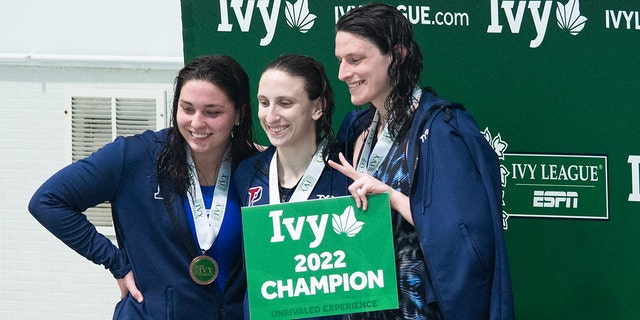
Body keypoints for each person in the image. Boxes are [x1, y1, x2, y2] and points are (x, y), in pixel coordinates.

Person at [28, 55, 259, 319]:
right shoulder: (135, 157)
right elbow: (47, 201)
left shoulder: (255, 170)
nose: (197, 123)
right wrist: (115, 262)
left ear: (239, 114)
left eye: (212, 112)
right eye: (187, 109)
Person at [330, 3, 514, 320]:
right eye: (341, 61)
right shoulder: (359, 128)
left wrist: (391, 196)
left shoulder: (442, 129)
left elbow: (466, 232)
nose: (343, 73)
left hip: (416, 309)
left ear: (397, 56)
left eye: (355, 60)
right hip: (365, 305)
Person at [233, 54, 347, 319]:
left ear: (317, 107)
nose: (271, 116)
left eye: (285, 103)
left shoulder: (347, 173)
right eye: (264, 103)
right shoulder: (247, 173)